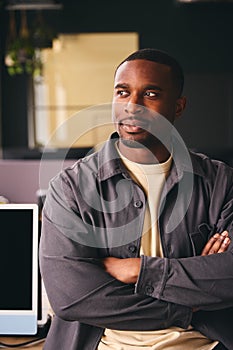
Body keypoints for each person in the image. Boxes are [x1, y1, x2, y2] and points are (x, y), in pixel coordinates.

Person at [39, 48, 233, 350]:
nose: (132, 106)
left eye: (151, 94)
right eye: (122, 92)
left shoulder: (221, 182)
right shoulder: (70, 188)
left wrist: (138, 270)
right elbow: (71, 296)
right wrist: (188, 301)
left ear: (178, 106)